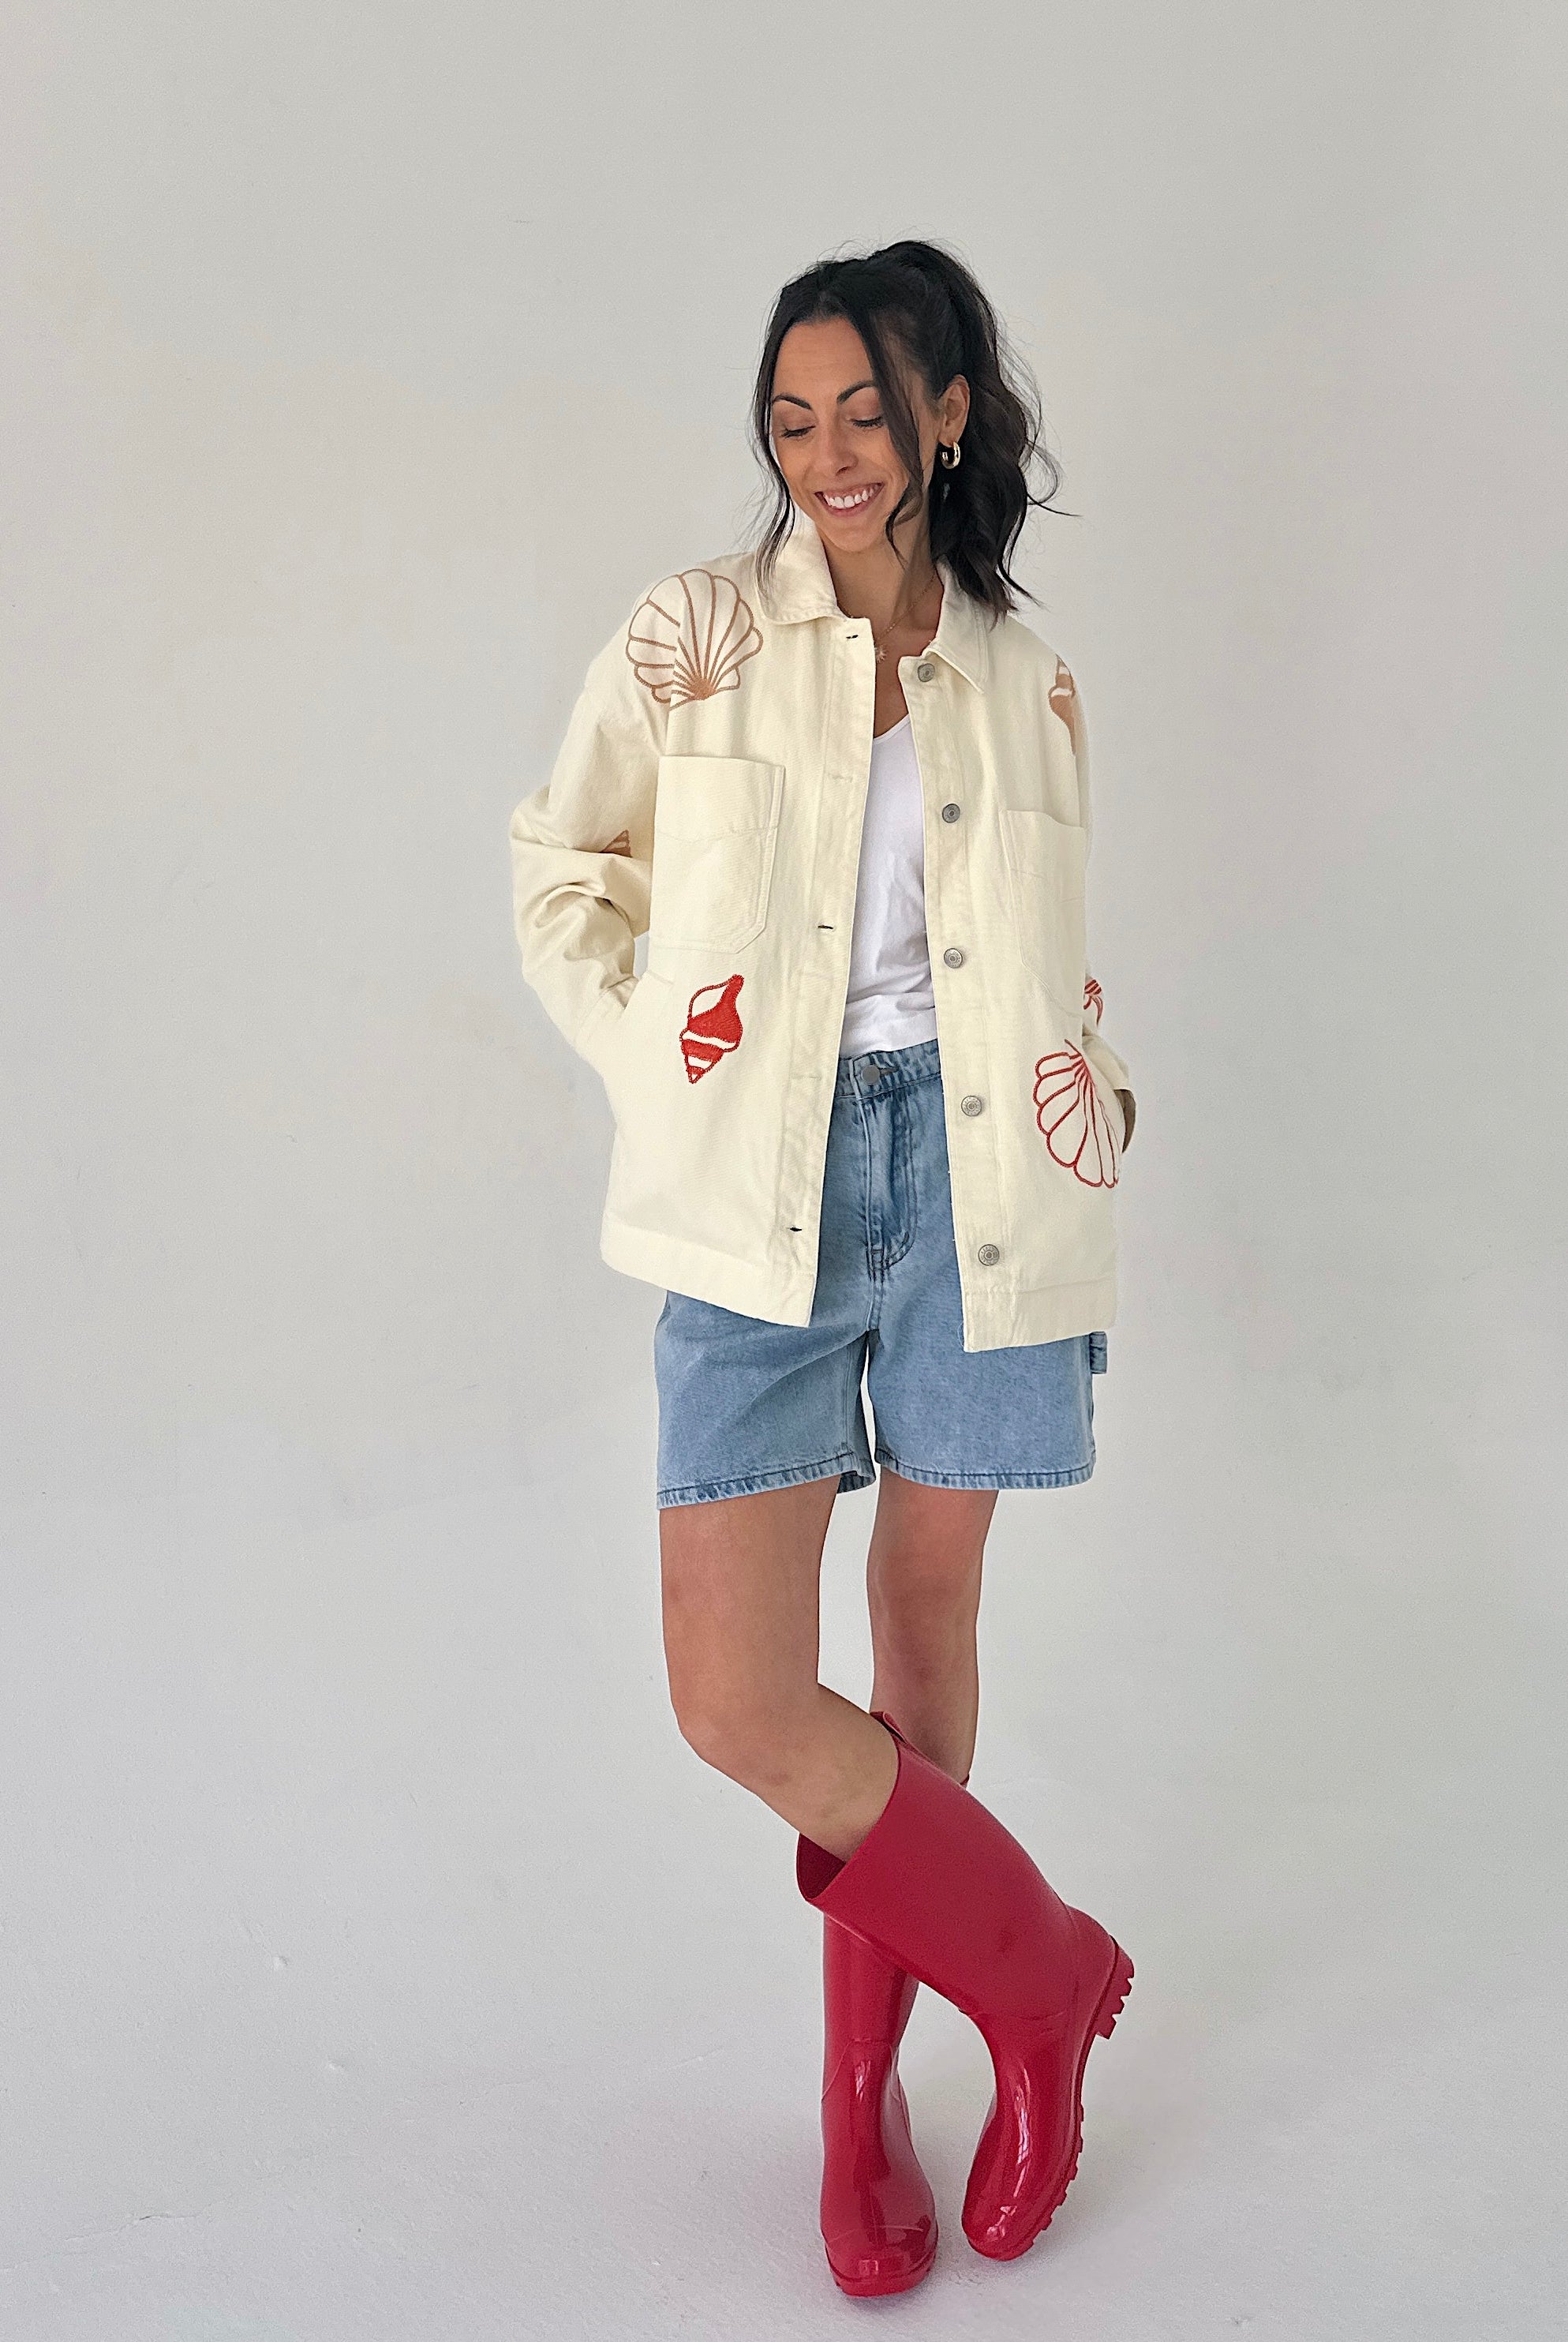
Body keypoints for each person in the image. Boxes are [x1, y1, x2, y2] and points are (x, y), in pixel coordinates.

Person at [509, 238, 1138, 2299]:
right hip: (752, 1190)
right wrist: (659, 1060)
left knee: (926, 1639)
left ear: (946, 411)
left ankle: (861, 2094)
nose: (828, 454)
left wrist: (1087, 1111)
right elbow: (559, 869)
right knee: (739, 1698)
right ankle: (1035, 1974)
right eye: (792, 420)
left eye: (865, 411)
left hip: (973, 1187)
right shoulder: (690, 638)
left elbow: (1050, 969)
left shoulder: (1021, 677)